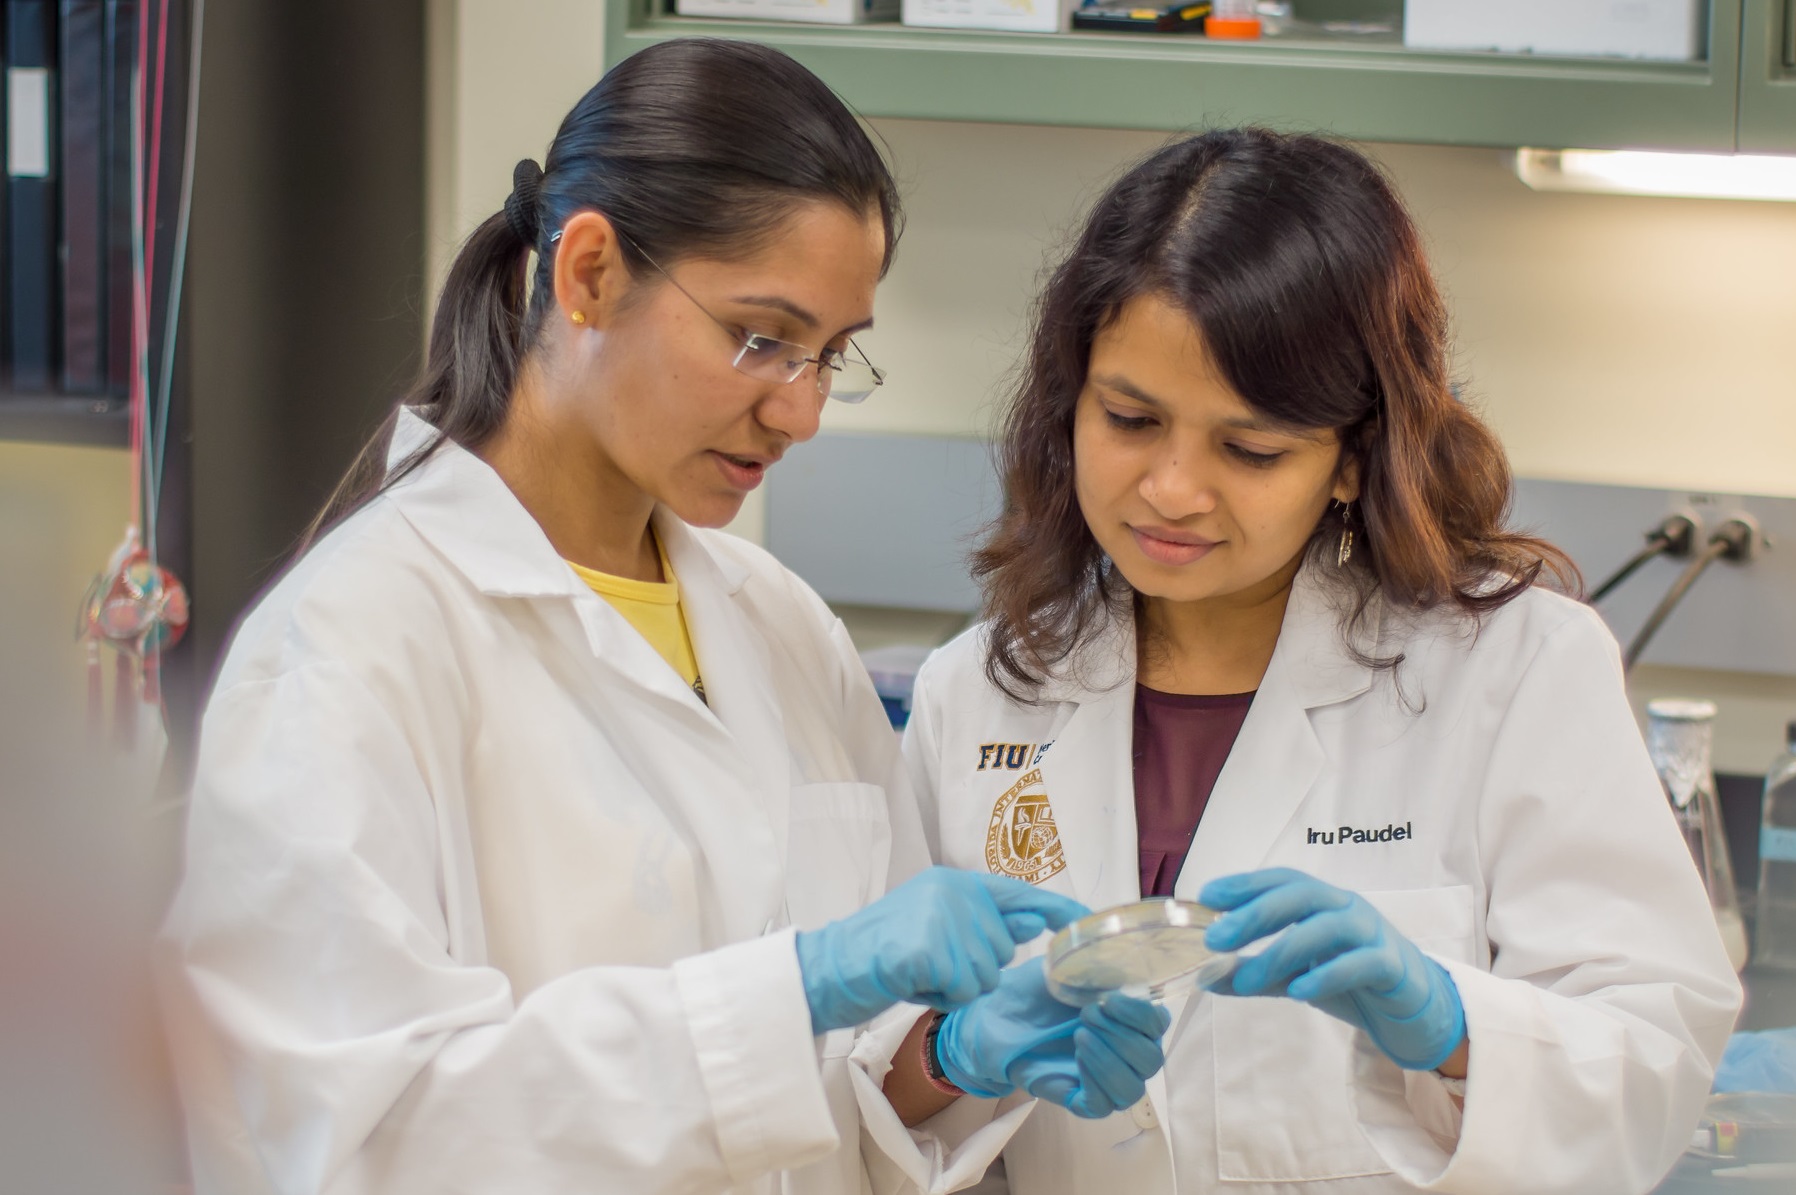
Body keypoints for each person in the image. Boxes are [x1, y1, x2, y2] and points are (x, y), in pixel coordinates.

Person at [155, 39, 1168, 1195]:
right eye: (761, 338)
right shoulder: (346, 651)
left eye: (831, 356)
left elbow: (828, 1099)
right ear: (587, 272)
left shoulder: (782, 628)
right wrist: (802, 983)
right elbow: (348, 1147)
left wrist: (946, 1054)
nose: (800, 412)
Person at [901, 128, 1744, 1194]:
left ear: (1353, 459)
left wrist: (1447, 1021)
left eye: (1249, 450)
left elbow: (1655, 1061)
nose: (1171, 487)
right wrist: (949, 1052)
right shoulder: (974, 691)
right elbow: (861, 1092)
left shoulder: (1517, 670)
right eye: (1129, 418)